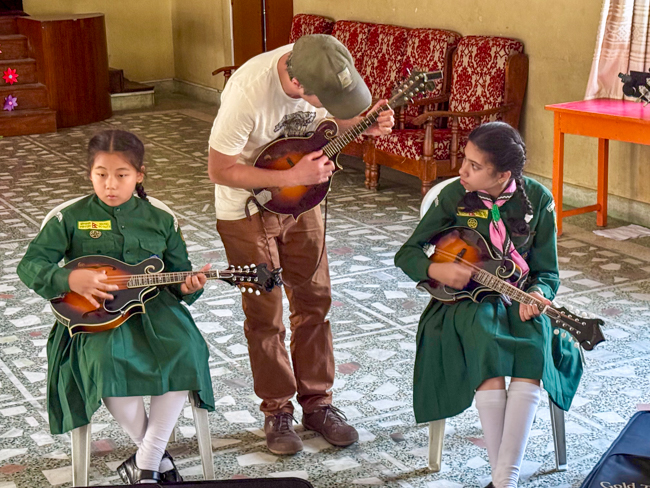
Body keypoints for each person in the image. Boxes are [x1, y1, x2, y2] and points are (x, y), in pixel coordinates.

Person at [207, 34, 394, 454]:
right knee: (265, 310)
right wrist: (288, 178)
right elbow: (219, 169)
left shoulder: (322, 62)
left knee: (314, 299)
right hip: (246, 208)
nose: (323, 103)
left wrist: (368, 124)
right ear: (297, 83)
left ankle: (318, 404)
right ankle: (277, 411)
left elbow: (333, 126)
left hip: (303, 196)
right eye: (319, 98)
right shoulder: (248, 91)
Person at [17, 129, 215, 485]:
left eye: (121, 175)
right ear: (89, 173)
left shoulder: (160, 219)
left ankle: (148, 463)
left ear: (139, 175)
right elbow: (30, 265)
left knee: (185, 350)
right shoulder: (71, 218)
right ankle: (155, 462)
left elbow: (177, 274)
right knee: (105, 365)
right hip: (94, 316)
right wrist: (68, 280)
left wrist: (188, 288)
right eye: (101, 174)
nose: (110, 184)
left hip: (155, 311)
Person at [394, 122, 583, 488]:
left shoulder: (538, 200)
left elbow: (547, 271)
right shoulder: (453, 197)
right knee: (484, 338)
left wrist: (541, 294)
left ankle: (502, 480)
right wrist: (435, 268)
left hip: (520, 297)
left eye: (474, 166)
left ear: (503, 175)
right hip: (464, 301)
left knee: (535, 342)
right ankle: (506, 479)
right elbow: (408, 253)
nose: (462, 171)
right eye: (465, 160)